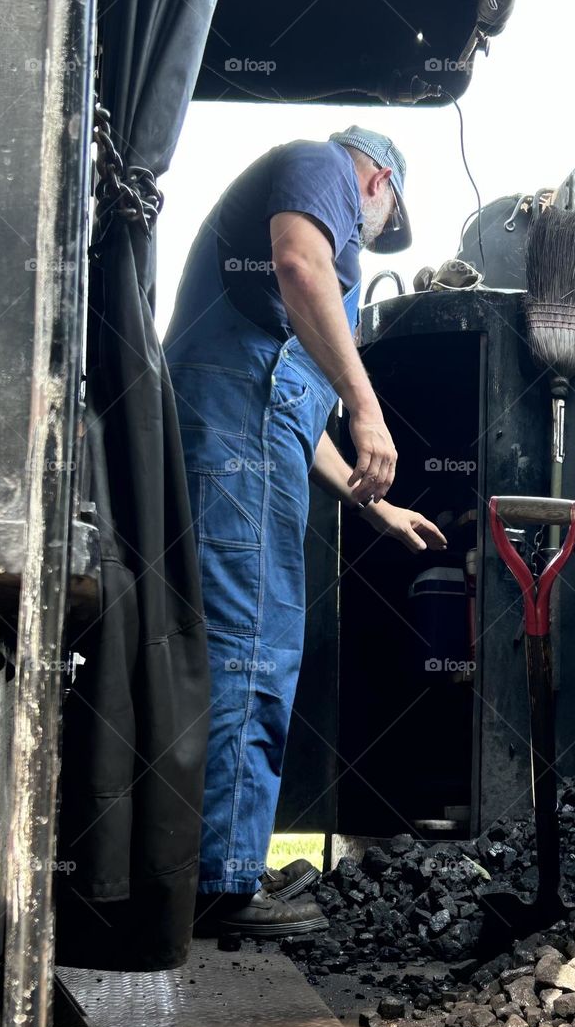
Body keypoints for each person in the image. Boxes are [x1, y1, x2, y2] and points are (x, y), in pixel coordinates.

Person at [163, 126, 446, 937]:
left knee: (252, 640)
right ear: (379, 182)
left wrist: (377, 507)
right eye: (378, 222)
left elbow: (290, 416)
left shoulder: (291, 261)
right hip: (232, 436)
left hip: (251, 435)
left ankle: (217, 866)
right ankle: (220, 883)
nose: (367, 236)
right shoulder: (320, 167)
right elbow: (300, 265)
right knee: (248, 645)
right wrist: (368, 405)